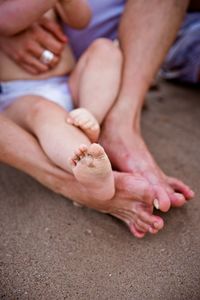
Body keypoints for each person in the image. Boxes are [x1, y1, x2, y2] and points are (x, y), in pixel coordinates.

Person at [0, 0, 196, 238]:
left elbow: (81, 20)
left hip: (68, 80)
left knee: (104, 49)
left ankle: (92, 114)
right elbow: (7, 22)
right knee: (44, 114)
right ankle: (90, 171)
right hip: (21, 97)